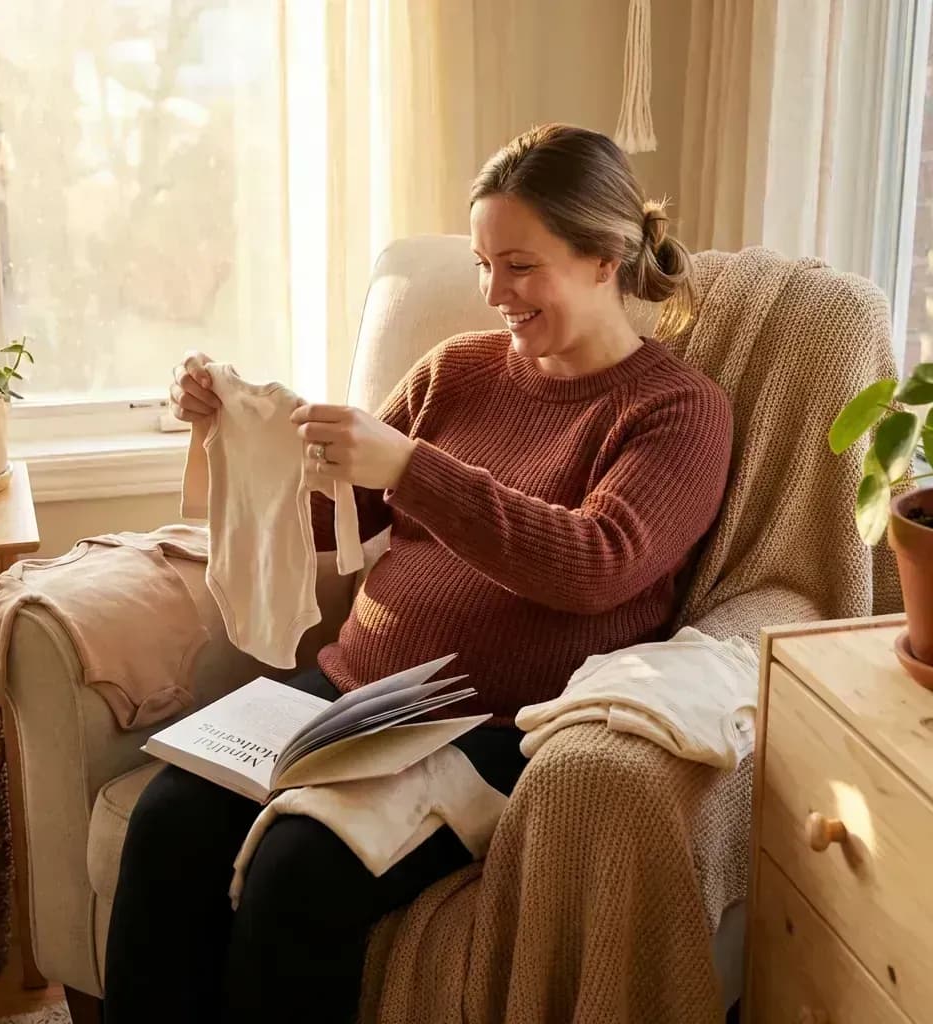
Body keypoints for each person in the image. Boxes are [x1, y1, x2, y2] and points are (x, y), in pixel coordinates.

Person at [103, 123, 734, 1023]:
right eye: (483, 264)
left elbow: (599, 563)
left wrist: (409, 467)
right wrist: (231, 428)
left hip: (487, 731)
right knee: (169, 823)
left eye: (519, 265)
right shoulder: (456, 373)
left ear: (604, 259)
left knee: (296, 874)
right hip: (351, 692)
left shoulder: (676, 410)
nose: (494, 294)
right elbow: (334, 520)